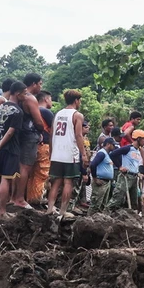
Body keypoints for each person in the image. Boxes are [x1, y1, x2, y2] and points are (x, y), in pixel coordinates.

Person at [0, 82, 27, 218]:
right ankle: (2, 212)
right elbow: (10, 133)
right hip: (10, 149)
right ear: (17, 93)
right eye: (24, 93)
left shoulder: (1, 107)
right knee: (6, 179)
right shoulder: (17, 111)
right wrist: (0, 147)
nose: (25, 96)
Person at [47, 90, 89, 218]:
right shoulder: (77, 115)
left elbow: (51, 134)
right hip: (70, 153)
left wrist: (51, 152)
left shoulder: (58, 114)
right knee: (68, 182)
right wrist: (83, 154)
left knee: (56, 182)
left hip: (57, 153)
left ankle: (50, 208)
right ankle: (63, 210)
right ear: (76, 100)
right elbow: (78, 135)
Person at [15, 73, 47, 209]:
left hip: (17, 134)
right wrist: (41, 131)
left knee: (17, 166)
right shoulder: (30, 98)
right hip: (29, 135)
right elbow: (38, 121)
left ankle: (13, 196)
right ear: (33, 84)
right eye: (40, 84)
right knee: (25, 167)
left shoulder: (16, 96)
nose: (40, 87)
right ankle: (19, 198)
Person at [28, 90, 55, 205]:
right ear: (46, 99)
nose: (51, 102)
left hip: (32, 145)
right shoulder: (45, 112)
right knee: (42, 174)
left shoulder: (30, 110)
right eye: (51, 99)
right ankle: (38, 199)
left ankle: (30, 198)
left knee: (32, 174)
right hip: (44, 145)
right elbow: (53, 130)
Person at [110, 130, 144, 212]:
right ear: (138, 139)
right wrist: (120, 166)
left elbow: (134, 164)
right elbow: (112, 155)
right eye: (143, 139)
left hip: (134, 177)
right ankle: (107, 214)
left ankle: (130, 216)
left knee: (134, 199)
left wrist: (138, 173)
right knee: (117, 197)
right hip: (126, 176)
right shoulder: (128, 148)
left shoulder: (138, 150)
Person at [88, 138, 117, 214]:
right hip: (101, 181)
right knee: (95, 204)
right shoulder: (102, 153)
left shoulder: (107, 154)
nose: (114, 146)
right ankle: (89, 220)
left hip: (106, 182)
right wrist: (95, 178)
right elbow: (93, 165)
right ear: (108, 144)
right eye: (113, 145)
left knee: (102, 205)